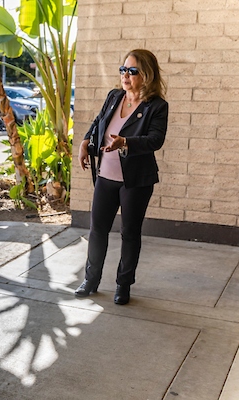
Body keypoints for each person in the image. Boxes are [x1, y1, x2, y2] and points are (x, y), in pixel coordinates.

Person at [75, 49, 168, 305]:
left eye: (132, 71)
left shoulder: (156, 106)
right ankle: (91, 280)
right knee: (97, 230)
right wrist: (85, 141)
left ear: (146, 75)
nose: (125, 75)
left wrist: (125, 142)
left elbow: (155, 140)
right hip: (106, 175)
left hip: (135, 181)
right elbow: (99, 122)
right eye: (123, 69)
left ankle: (123, 285)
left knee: (130, 233)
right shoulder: (114, 96)